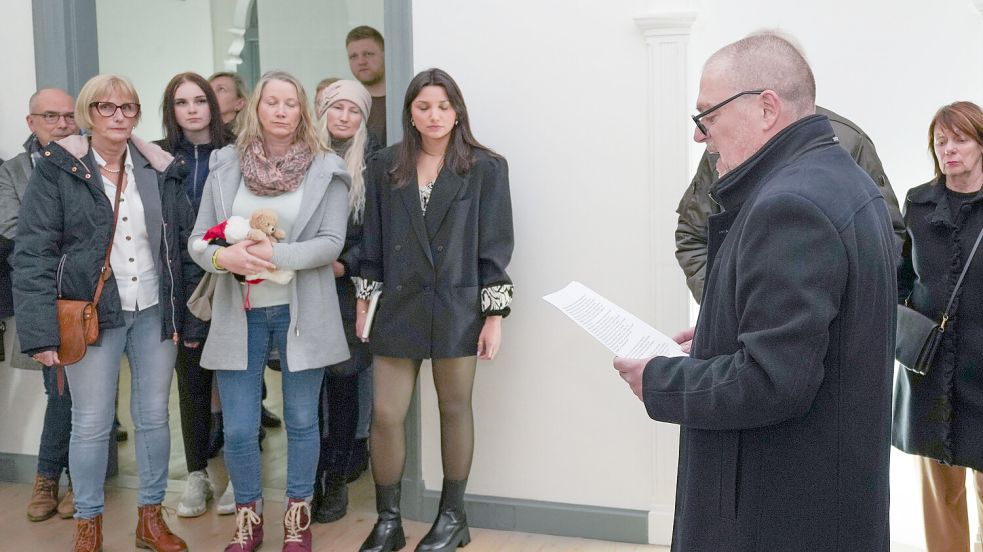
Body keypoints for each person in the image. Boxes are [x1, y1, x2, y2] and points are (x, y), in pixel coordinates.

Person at [613, 33, 896, 551]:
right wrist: (722, 329)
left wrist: (659, 379)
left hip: (779, 511)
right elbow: (823, 334)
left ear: (766, 107)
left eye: (708, 116)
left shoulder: (791, 205)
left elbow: (772, 382)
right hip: (826, 501)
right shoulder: (841, 179)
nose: (701, 136)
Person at [12, 74, 197, 552]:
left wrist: (185, 315)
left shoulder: (157, 168)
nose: (119, 117)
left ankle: (150, 520)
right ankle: (88, 526)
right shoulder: (58, 170)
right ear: (87, 115)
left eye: (129, 108)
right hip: (94, 315)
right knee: (91, 422)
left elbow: (179, 244)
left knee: (154, 416)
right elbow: (32, 254)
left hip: (154, 308)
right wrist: (41, 334)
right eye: (106, 108)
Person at [188, 70, 350, 552]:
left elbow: (330, 244)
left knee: (302, 421)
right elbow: (199, 241)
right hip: (241, 313)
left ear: (303, 111)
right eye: (271, 102)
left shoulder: (327, 168)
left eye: (290, 103)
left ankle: (297, 518)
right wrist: (226, 257)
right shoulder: (225, 165)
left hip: (303, 313)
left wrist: (271, 256)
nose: (280, 111)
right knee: (239, 426)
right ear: (255, 108)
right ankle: (248, 519)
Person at [356, 68, 514, 552]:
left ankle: (452, 518)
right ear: (410, 112)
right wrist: (364, 302)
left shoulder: (485, 167)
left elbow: (495, 245)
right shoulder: (385, 165)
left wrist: (494, 317)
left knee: (453, 408)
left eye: (443, 106)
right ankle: (388, 521)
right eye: (423, 106)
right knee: (385, 413)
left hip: (459, 304)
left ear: (457, 110)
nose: (434, 115)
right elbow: (373, 243)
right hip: (397, 304)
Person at [675, 106, 906, 302]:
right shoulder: (724, 146)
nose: (700, 134)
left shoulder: (849, 141)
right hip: (745, 339)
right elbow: (692, 235)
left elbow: (886, 240)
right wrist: (723, 309)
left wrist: (831, 310)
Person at [893, 101, 983, 552]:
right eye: (941, 140)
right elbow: (898, 283)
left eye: (960, 139)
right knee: (939, 500)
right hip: (930, 374)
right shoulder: (918, 204)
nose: (949, 149)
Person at [156, 71, 234, 518]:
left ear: (212, 105)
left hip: (233, 275)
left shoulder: (238, 149)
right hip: (183, 282)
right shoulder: (159, 156)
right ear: (172, 111)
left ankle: (241, 477)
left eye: (199, 100)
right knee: (192, 381)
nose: (191, 109)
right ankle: (197, 475)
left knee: (237, 380)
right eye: (181, 102)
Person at [0, 88, 78, 522]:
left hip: (89, 296)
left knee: (86, 394)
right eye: (51, 116)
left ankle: (72, 481)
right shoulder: (11, 172)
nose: (63, 123)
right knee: (59, 390)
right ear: (31, 122)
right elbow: (13, 227)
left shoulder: (91, 162)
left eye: (69, 116)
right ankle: (50, 478)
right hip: (44, 297)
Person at [309, 79, 380, 524]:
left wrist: (345, 265)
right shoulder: (300, 159)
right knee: (304, 392)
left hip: (344, 289)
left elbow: (378, 233)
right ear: (322, 112)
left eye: (354, 111)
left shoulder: (374, 167)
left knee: (343, 384)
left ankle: (335, 480)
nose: (344, 117)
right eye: (337, 108)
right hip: (300, 285)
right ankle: (307, 480)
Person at [347, 25, 387, 146]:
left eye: (368, 54)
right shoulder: (346, 105)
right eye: (353, 56)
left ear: (385, 54)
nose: (361, 61)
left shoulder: (403, 100)